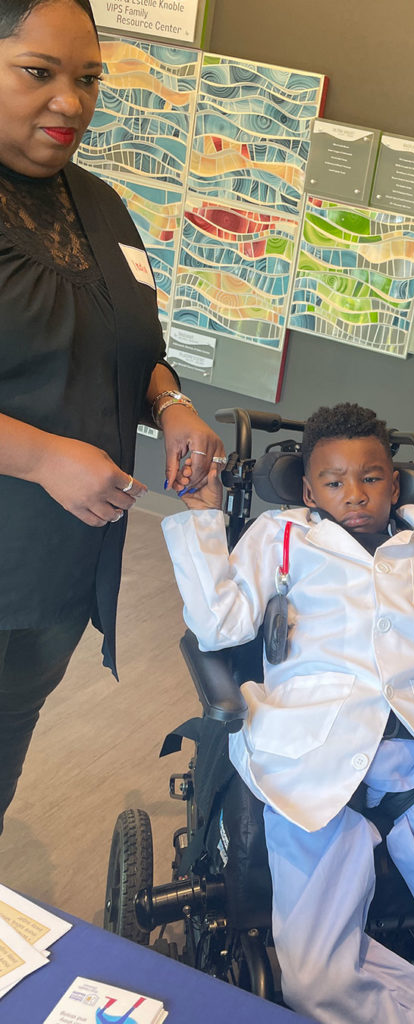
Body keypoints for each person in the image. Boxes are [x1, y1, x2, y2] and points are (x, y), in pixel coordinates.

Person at [162, 402, 414, 1024]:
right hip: (316, 762)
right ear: (306, 489)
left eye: (371, 477)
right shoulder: (283, 537)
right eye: (333, 481)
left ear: (396, 480)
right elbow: (220, 625)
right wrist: (202, 513)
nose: (354, 494)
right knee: (319, 978)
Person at [0, 0, 223, 835]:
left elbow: (124, 342)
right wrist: (42, 458)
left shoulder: (96, 205)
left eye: (88, 78)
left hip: (53, 575)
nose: (70, 101)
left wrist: (170, 403)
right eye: (38, 73)